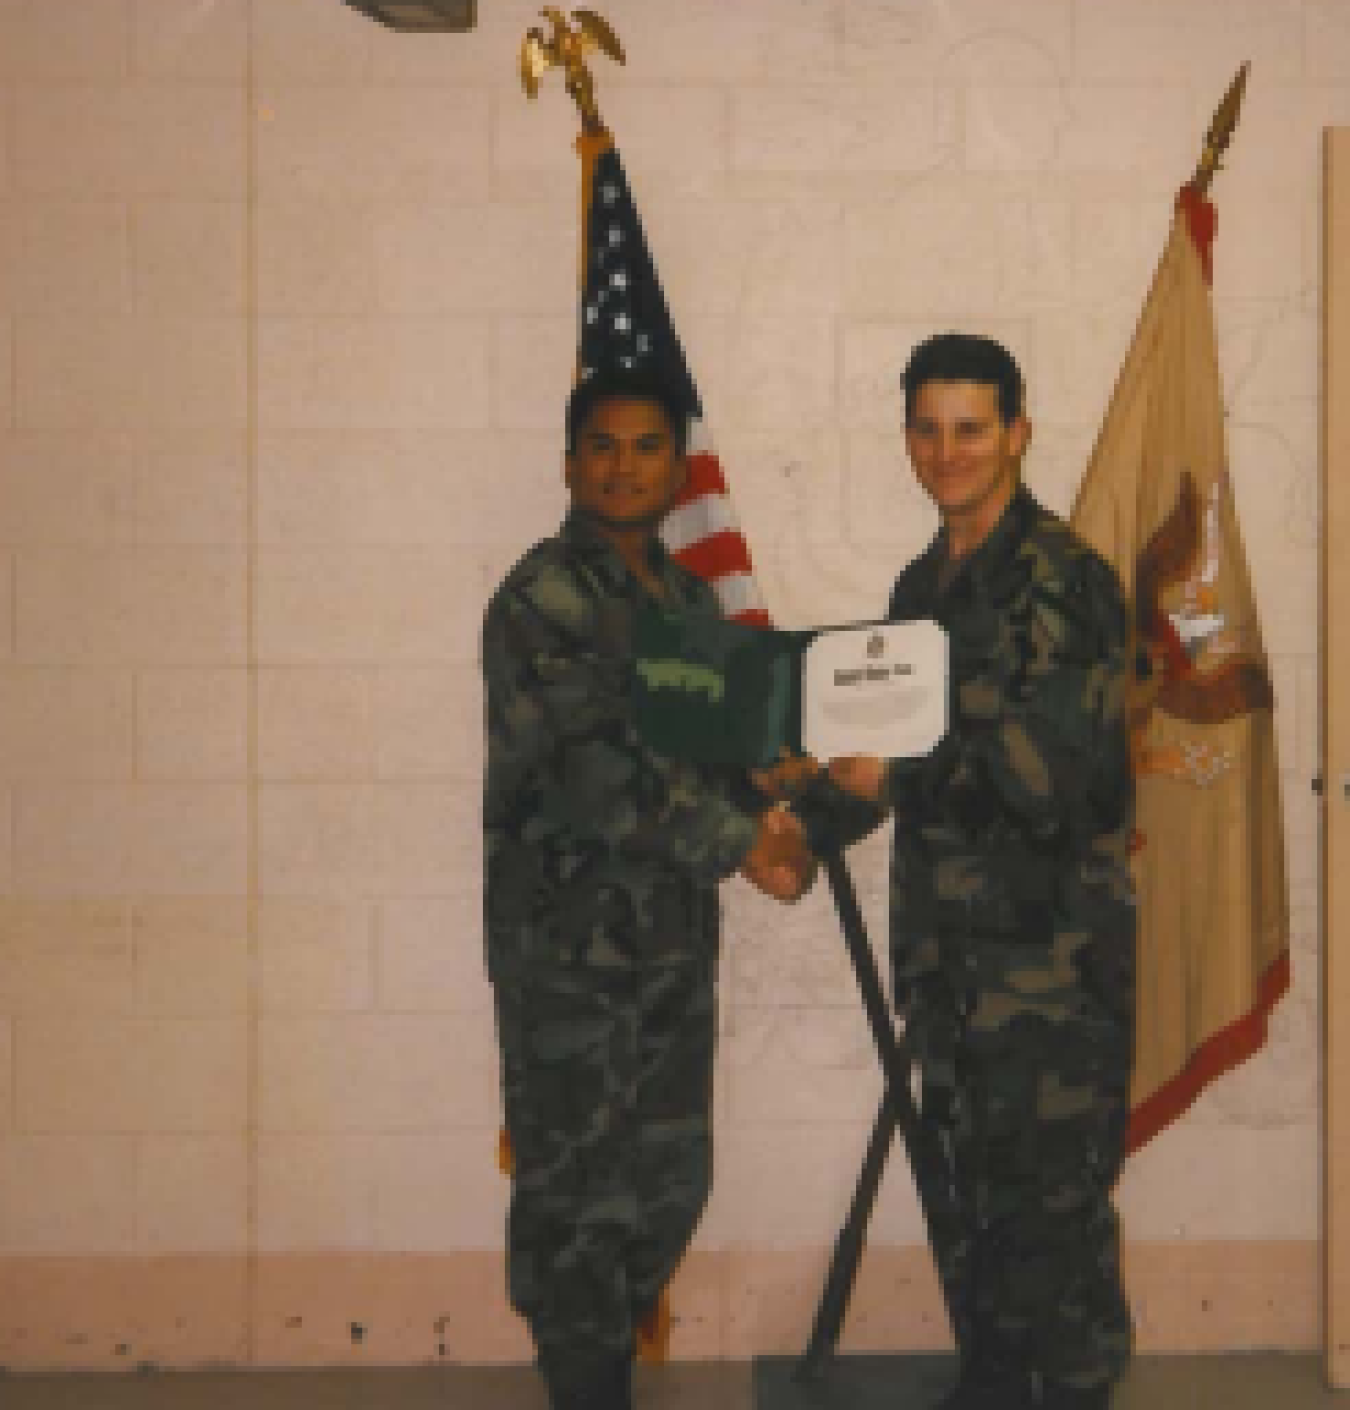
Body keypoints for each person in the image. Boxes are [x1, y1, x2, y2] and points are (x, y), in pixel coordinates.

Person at [777, 333, 1137, 1409]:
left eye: (971, 427)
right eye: (928, 429)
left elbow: (1049, 779)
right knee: (972, 1215)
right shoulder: (918, 587)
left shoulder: (1067, 583)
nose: (948, 451)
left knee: (1057, 1229)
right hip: (949, 970)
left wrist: (891, 773)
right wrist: (800, 812)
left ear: (1018, 434)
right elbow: (879, 748)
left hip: (1049, 979)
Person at [482, 366, 816, 1410]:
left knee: (670, 1179)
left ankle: (605, 1364)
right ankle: (586, 1388)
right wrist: (743, 844)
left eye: (646, 449)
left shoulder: (686, 600)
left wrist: (778, 777)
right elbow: (591, 772)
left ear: (679, 469)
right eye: (604, 447)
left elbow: (705, 752)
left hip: (670, 946)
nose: (624, 467)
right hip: (571, 959)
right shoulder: (540, 599)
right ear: (570, 461)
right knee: (579, 1195)